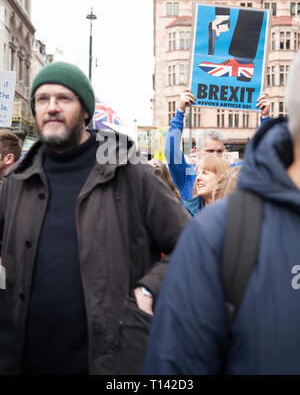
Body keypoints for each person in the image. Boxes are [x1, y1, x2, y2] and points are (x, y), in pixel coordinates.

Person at [0, 61, 190, 375]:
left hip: (112, 359)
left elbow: (193, 242)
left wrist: (149, 289)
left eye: (63, 98)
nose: (52, 107)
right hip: (29, 359)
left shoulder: (128, 171)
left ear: (86, 111)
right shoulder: (18, 181)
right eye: (42, 100)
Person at [143, 50, 300, 375]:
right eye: (206, 155)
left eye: (217, 155)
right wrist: (180, 113)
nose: (205, 169)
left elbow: (268, 158)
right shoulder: (188, 184)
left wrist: (266, 119)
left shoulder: (238, 182)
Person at [164, 88, 271, 200]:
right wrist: (180, 112)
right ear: (196, 151)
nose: (215, 155)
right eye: (210, 151)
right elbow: (171, 151)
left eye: (219, 151)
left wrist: (265, 118)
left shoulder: (232, 173)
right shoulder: (187, 175)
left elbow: (264, 157)